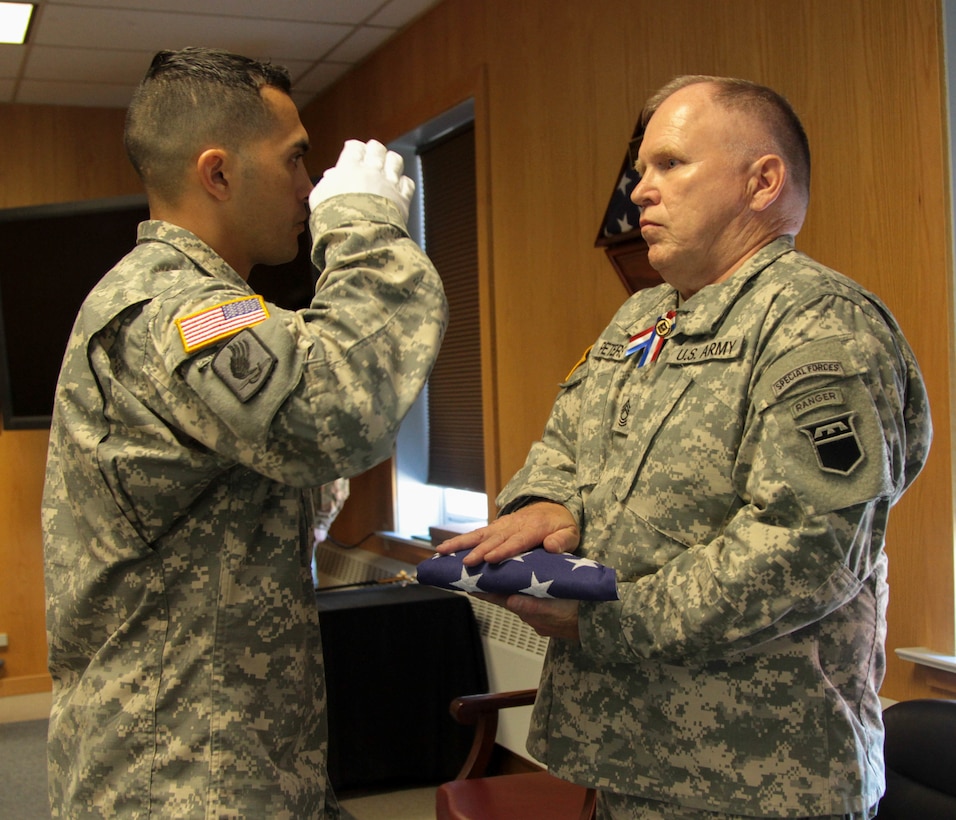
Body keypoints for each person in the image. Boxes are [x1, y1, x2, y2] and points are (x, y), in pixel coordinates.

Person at [437, 75, 931, 819]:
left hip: (759, 778)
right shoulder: (643, 318)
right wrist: (547, 503)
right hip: (630, 755)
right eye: (641, 171)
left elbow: (807, 548)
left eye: (670, 164)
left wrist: (606, 620)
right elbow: (565, 443)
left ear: (763, 181)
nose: (640, 190)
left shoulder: (818, 323)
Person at [41, 47, 447, 818]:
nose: (308, 187)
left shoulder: (211, 307)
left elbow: (276, 476)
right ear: (218, 173)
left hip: (237, 756)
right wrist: (364, 230)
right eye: (296, 160)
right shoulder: (176, 313)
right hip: (180, 780)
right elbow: (343, 409)